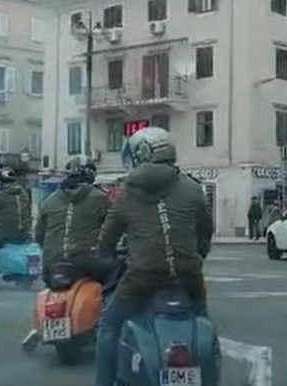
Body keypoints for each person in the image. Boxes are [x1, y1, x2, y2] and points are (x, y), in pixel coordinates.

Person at [92, 126, 214, 386]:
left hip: (141, 278)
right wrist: (196, 257)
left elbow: (107, 239)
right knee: (203, 321)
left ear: (141, 155)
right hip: (188, 276)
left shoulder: (126, 193)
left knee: (109, 326)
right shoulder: (193, 188)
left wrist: (106, 256)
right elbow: (206, 231)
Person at [21, 154, 112, 350]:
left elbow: (39, 236)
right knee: (116, 274)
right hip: (87, 261)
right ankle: (110, 321)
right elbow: (112, 231)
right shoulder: (101, 198)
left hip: (52, 265)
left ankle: (40, 327)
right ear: (91, 176)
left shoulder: (50, 201)